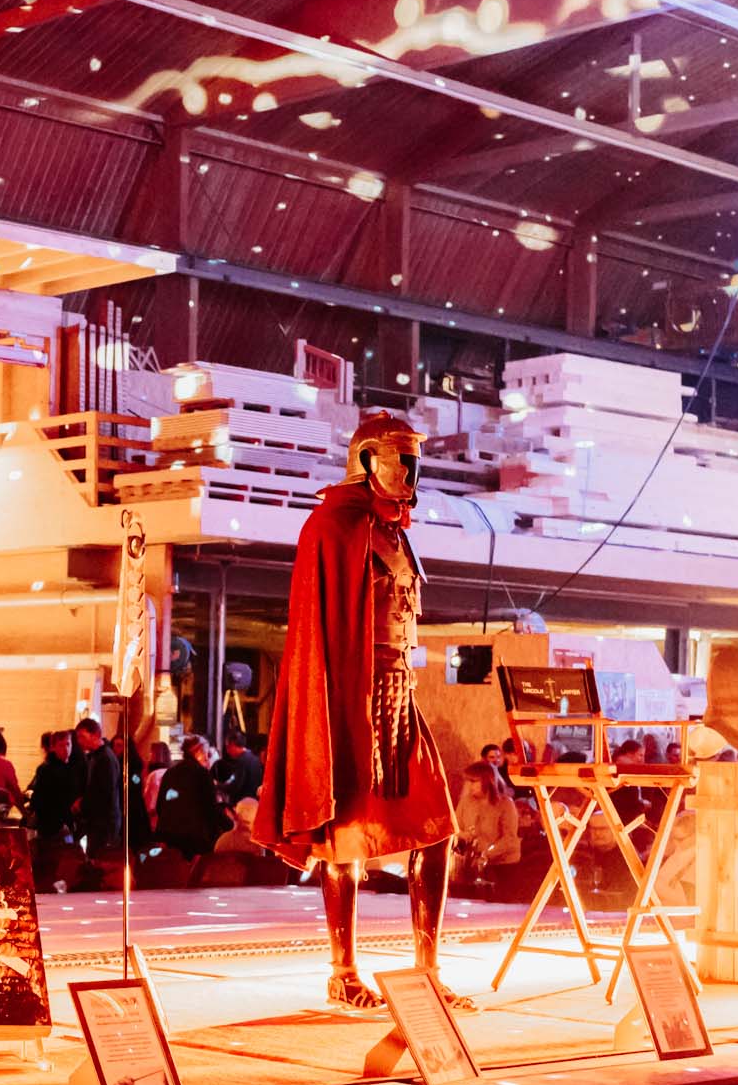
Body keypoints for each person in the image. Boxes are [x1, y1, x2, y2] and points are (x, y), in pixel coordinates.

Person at [254, 413, 461, 1009]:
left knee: (437, 829)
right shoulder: (331, 526)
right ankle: (343, 973)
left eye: (415, 460)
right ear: (368, 459)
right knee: (342, 837)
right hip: (347, 698)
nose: (411, 472)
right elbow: (320, 630)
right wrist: (341, 704)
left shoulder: (395, 530)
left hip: (401, 694)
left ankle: (427, 972)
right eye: (401, 458)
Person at [153, 735, 231, 858]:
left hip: (169, 835)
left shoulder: (170, 772)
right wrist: (231, 827)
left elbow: (160, 805)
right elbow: (211, 809)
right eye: (206, 754)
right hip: (195, 837)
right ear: (197, 752)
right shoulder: (202, 774)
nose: (207, 758)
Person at [452, 761, 521, 894]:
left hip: (502, 866)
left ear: (487, 781)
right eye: (468, 781)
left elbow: (509, 838)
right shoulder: (466, 802)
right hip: (473, 865)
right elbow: (456, 828)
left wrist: (487, 854)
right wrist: (463, 835)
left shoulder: (506, 804)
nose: (469, 785)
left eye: (473, 781)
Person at [71, 716, 125, 863]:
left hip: (104, 823)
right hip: (99, 821)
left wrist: (82, 804)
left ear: (95, 735)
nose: (79, 741)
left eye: (82, 737)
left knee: (100, 863)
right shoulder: (96, 757)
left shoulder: (104, 758)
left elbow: (102, 792)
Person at [28, 729, 77, 875]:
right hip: (53, 824)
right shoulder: (48, 769)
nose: (66, 749)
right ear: (53, 747)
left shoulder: (68, 767)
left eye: (68, 744)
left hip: (58, 823)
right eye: (61, 745)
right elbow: (42, 798)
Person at [213, 734, 263, 805]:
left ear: (233, 745)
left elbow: (235, 786)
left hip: (242, 804)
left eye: (228, 747)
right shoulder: (255, 758)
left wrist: (217, 785)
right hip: (254, 803)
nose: (227, 751)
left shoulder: (241, 761)